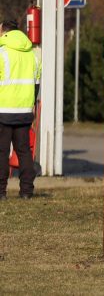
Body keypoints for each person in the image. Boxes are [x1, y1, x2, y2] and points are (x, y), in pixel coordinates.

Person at [0, 19, 40, 199]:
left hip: (3, 109)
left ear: (4, 32)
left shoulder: (2, 53)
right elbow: (36, 84)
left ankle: (1, 192)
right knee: (24, 151)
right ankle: (26, 192)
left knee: (1, 151)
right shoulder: (32, 54)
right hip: (24, 110)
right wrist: (30, 104)